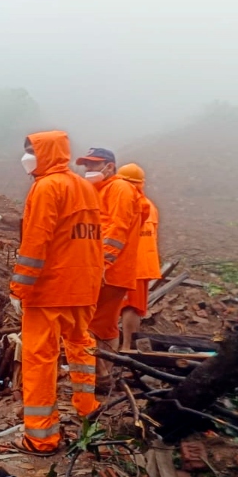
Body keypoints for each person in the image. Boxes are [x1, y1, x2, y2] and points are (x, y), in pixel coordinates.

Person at [10, 131, 104, 455]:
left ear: (46, 153)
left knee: (40, 359)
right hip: (84, 286)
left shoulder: (47, 187)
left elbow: (35, 244)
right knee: (81, 347)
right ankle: (87, 408)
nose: (26, 157)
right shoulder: (84, 187)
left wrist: (19, 287)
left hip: (49, 290)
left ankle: (41, 438)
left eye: (30, 150)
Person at [75, 147, 144, 393]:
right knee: (103, 326)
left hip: (108, 271)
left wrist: (103, 262)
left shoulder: (120, 189)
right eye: (86, 165)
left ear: (110, 166)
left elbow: (117, 228)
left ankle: (99, 378)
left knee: (90, 325)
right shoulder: (101, 190)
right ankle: (104, 375)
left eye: (94, 165)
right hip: (106, 270)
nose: (88, 170)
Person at [117, 163, 161, 351]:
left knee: (128, 307)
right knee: (132, 306)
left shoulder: (127, 201)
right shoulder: (150, 205)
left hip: (129, 263)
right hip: (144, 264)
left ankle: (126, 348)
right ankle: (127, 346)